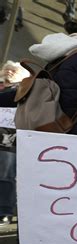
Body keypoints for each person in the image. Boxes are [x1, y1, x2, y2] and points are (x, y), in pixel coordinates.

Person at [0, 61, 29, 225]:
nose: (9, 72)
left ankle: (4, 210)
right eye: (7, 70)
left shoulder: (20, 88)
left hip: (8, 139)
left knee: (5, 174)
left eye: (13, 70)